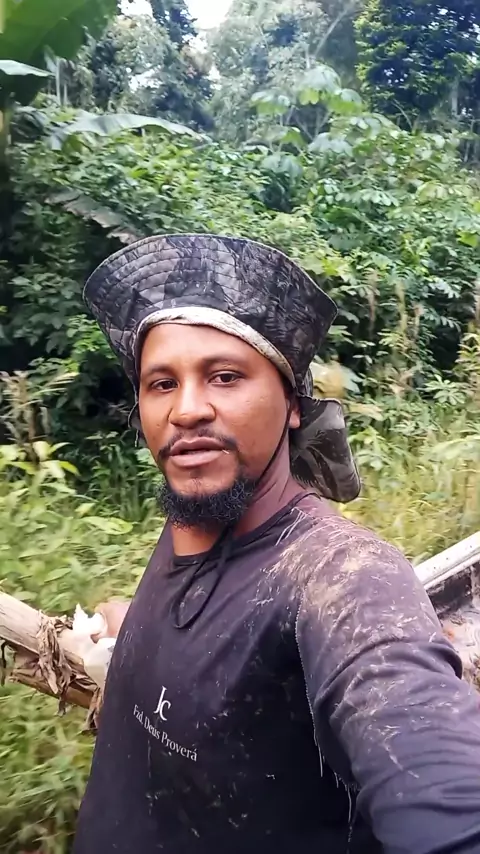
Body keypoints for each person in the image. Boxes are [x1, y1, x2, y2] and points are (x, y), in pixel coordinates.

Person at [73, 234, 480, 854]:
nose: (186, 410)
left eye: (225, 376)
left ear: (291, 404)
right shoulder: (196, 511)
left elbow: (435, 777)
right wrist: (132, 633)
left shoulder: (339, 575)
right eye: (161, 383)